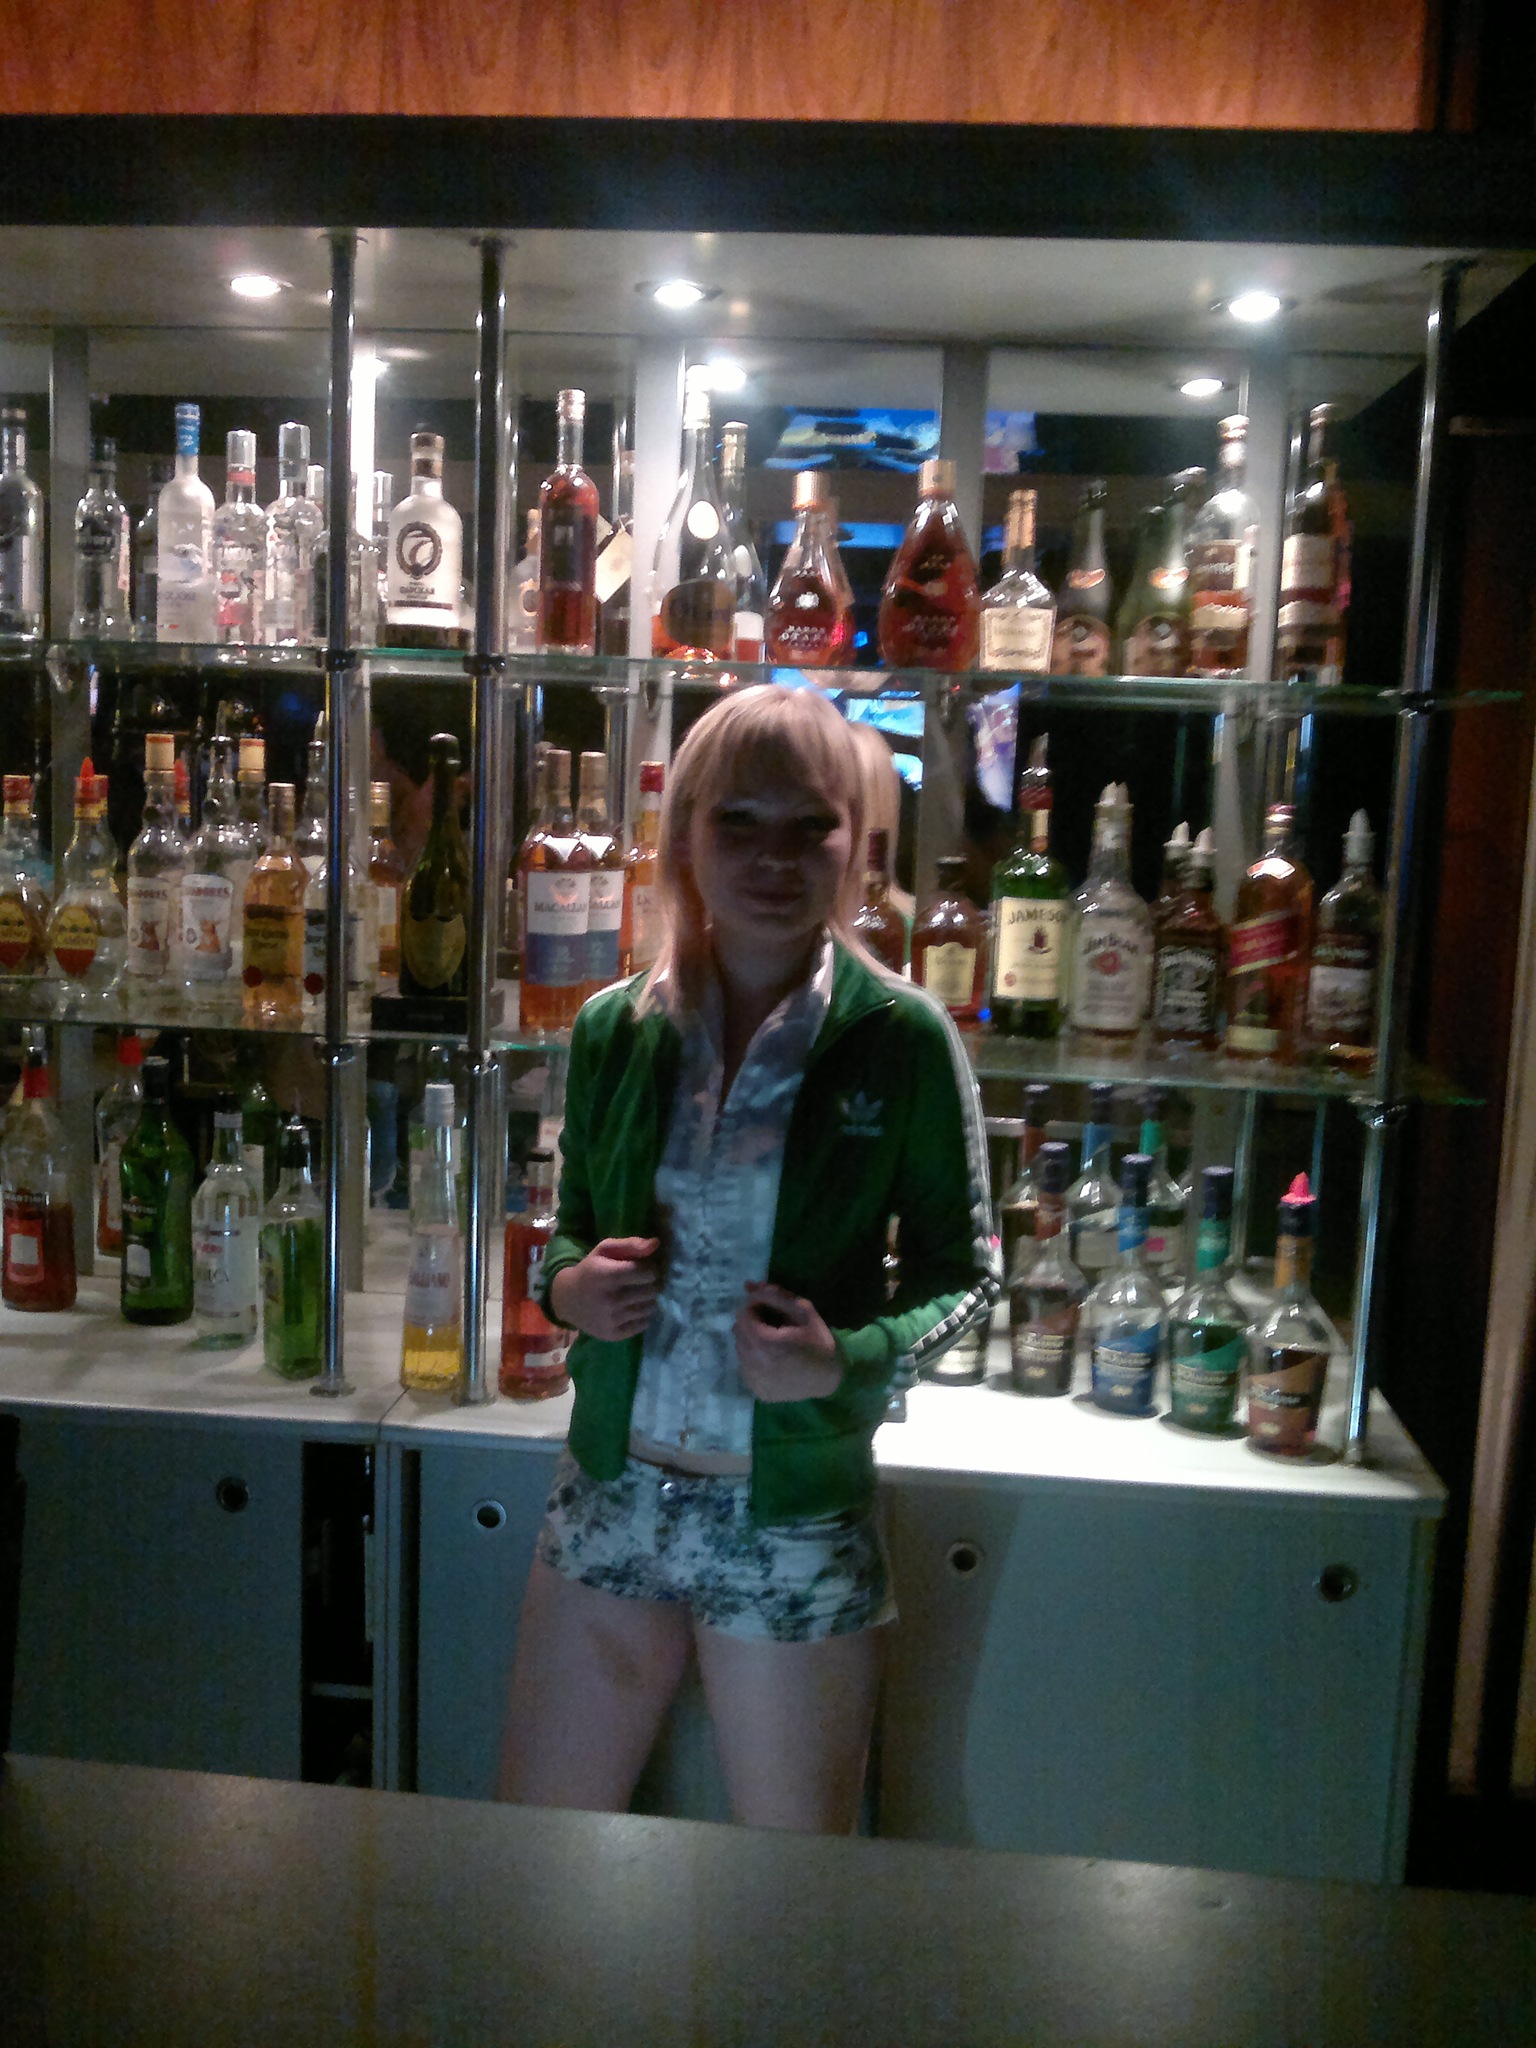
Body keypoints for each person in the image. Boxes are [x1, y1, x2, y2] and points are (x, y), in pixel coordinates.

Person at [497, 684, 997, 1833]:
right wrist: (570, 1287)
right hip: (611, 1491)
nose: (774, 857)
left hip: (793, 1523)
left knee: (793, 1882)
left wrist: (843, 1360)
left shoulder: (902, 1037)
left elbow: (967, 1274)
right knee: (534, 1850)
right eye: (739, 821)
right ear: (684, 836)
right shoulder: (614, 1027)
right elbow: (565, 1231)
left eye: (810, 825)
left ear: (858, 845)